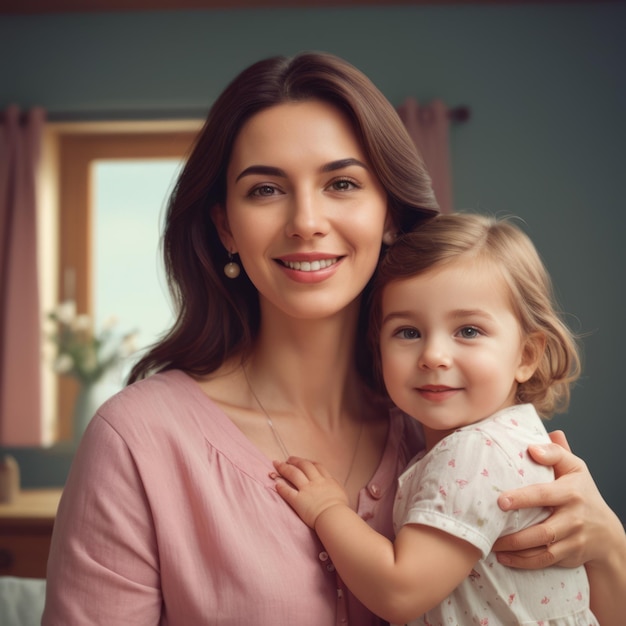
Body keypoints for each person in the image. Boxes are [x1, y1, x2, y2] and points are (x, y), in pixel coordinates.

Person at [42, 52, 626, 625]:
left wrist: (609, 546)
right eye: (266, 190)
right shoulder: (136, 442)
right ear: (225, 227)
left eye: (342, 183)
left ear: (390, 213)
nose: (306, 222)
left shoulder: (454, 425)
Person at [272, 213, 600, 625]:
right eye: (408, 332)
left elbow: (399, 589)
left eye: (468, 331)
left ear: (526, 356)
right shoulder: (503, 437)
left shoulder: (476, 450)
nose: (433, 356)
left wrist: (327, 509)